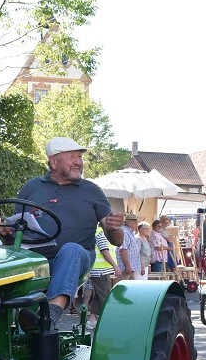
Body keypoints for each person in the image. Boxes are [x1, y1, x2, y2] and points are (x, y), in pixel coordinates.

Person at [15, 137, 123, 327]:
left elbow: (116, 240)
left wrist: (114, 228)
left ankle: (49, 318)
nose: (78, 162)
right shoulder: (31, 187)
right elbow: (16, 226)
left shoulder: (92, 190)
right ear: (53, 161)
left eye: (80, 157)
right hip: (35, 259)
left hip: (78, 257)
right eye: (71, 156)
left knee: (71, 249)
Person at [86, 227, 119, 325]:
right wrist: (115, 266)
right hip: (101, 271)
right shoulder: (100, 233)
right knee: (105, 296)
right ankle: (109, 321)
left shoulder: (95, 231)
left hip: (98, 270)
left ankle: (92, 320)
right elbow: (104, 251)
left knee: (98, 295)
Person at [116, 213, 142, 280]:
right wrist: (127, 266)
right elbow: (123, 250)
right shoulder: (125, 232)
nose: (136, 224)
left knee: (131, 288)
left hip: (131, 267)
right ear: (128, 222)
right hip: (126, 268)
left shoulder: (129, 232)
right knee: (123, 289)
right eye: (134, 222)